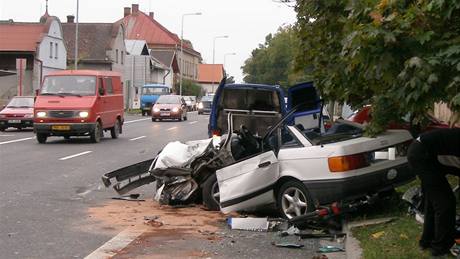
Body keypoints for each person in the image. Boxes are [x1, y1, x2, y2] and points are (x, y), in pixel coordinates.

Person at [407, 128, 460, 256]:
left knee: (433, 201)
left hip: (428, 154)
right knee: (445, 203)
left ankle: (427, 241)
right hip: (423, 154)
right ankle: (440, 248)